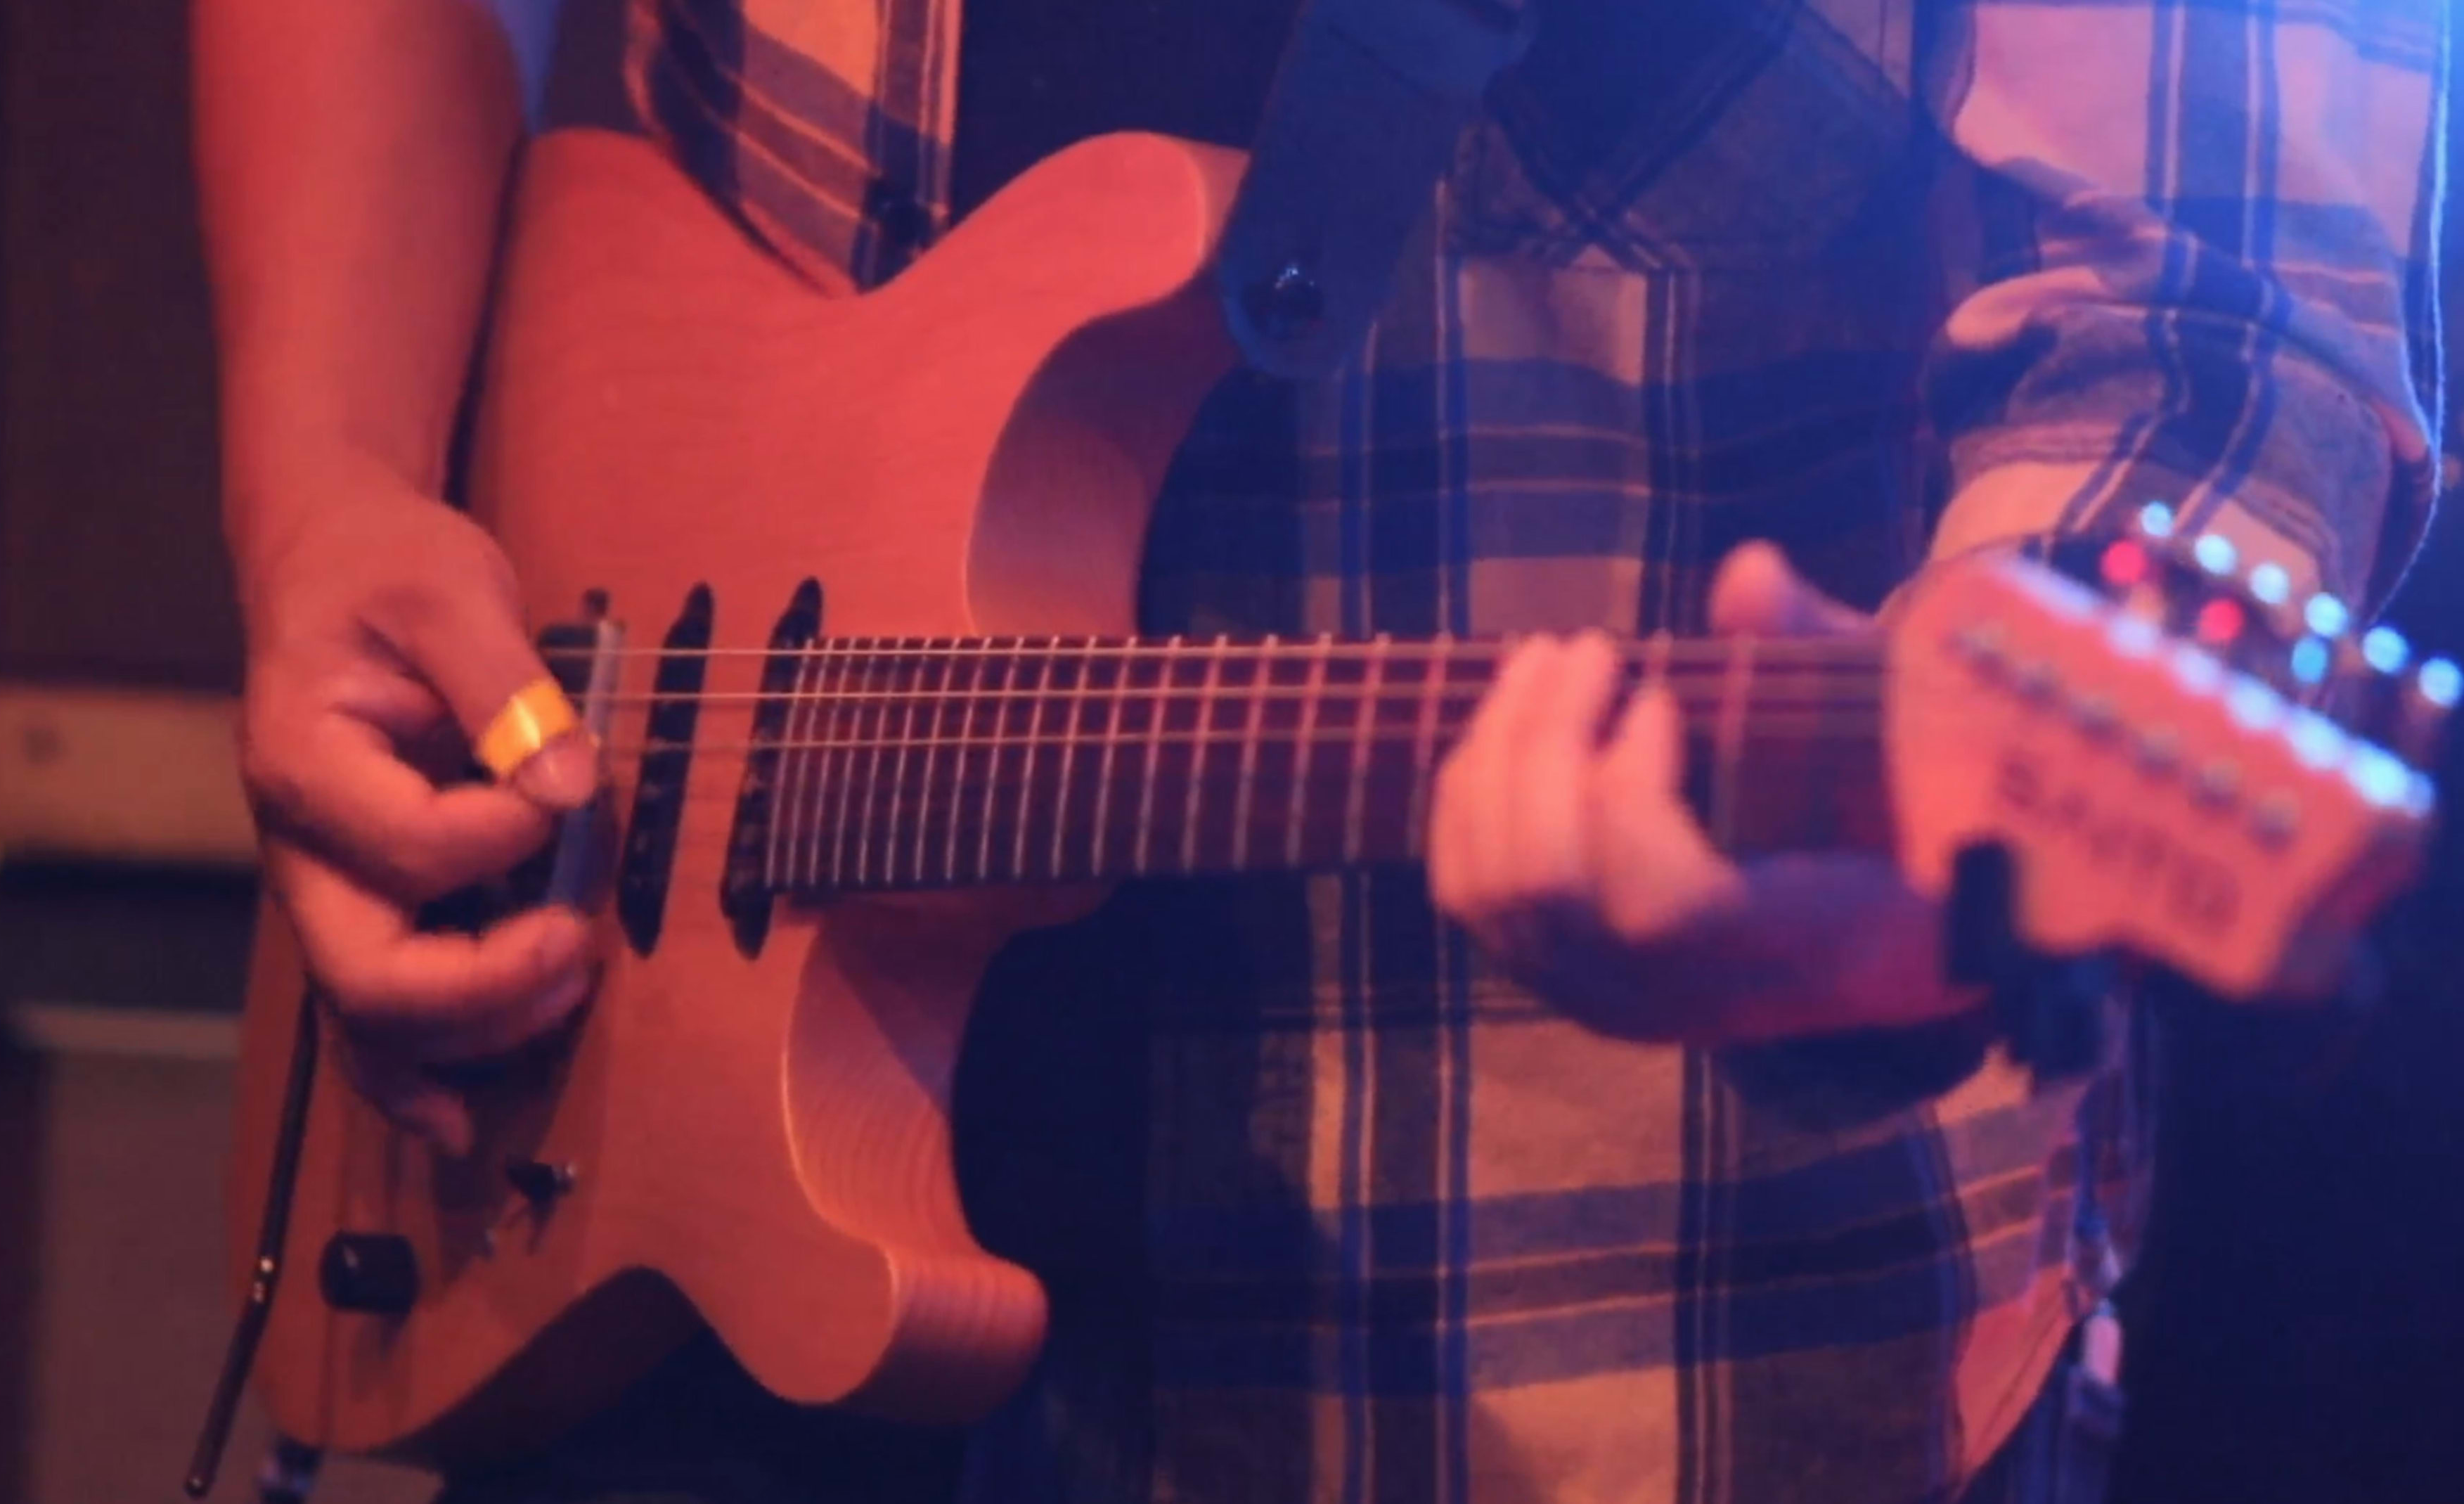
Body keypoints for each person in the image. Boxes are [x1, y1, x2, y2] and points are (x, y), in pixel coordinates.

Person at [191, 0, 2446, 1500]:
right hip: (631, 1205)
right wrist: (327, 484)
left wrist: (1876, 886)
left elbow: (2214, 319)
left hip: (1630, 1333)